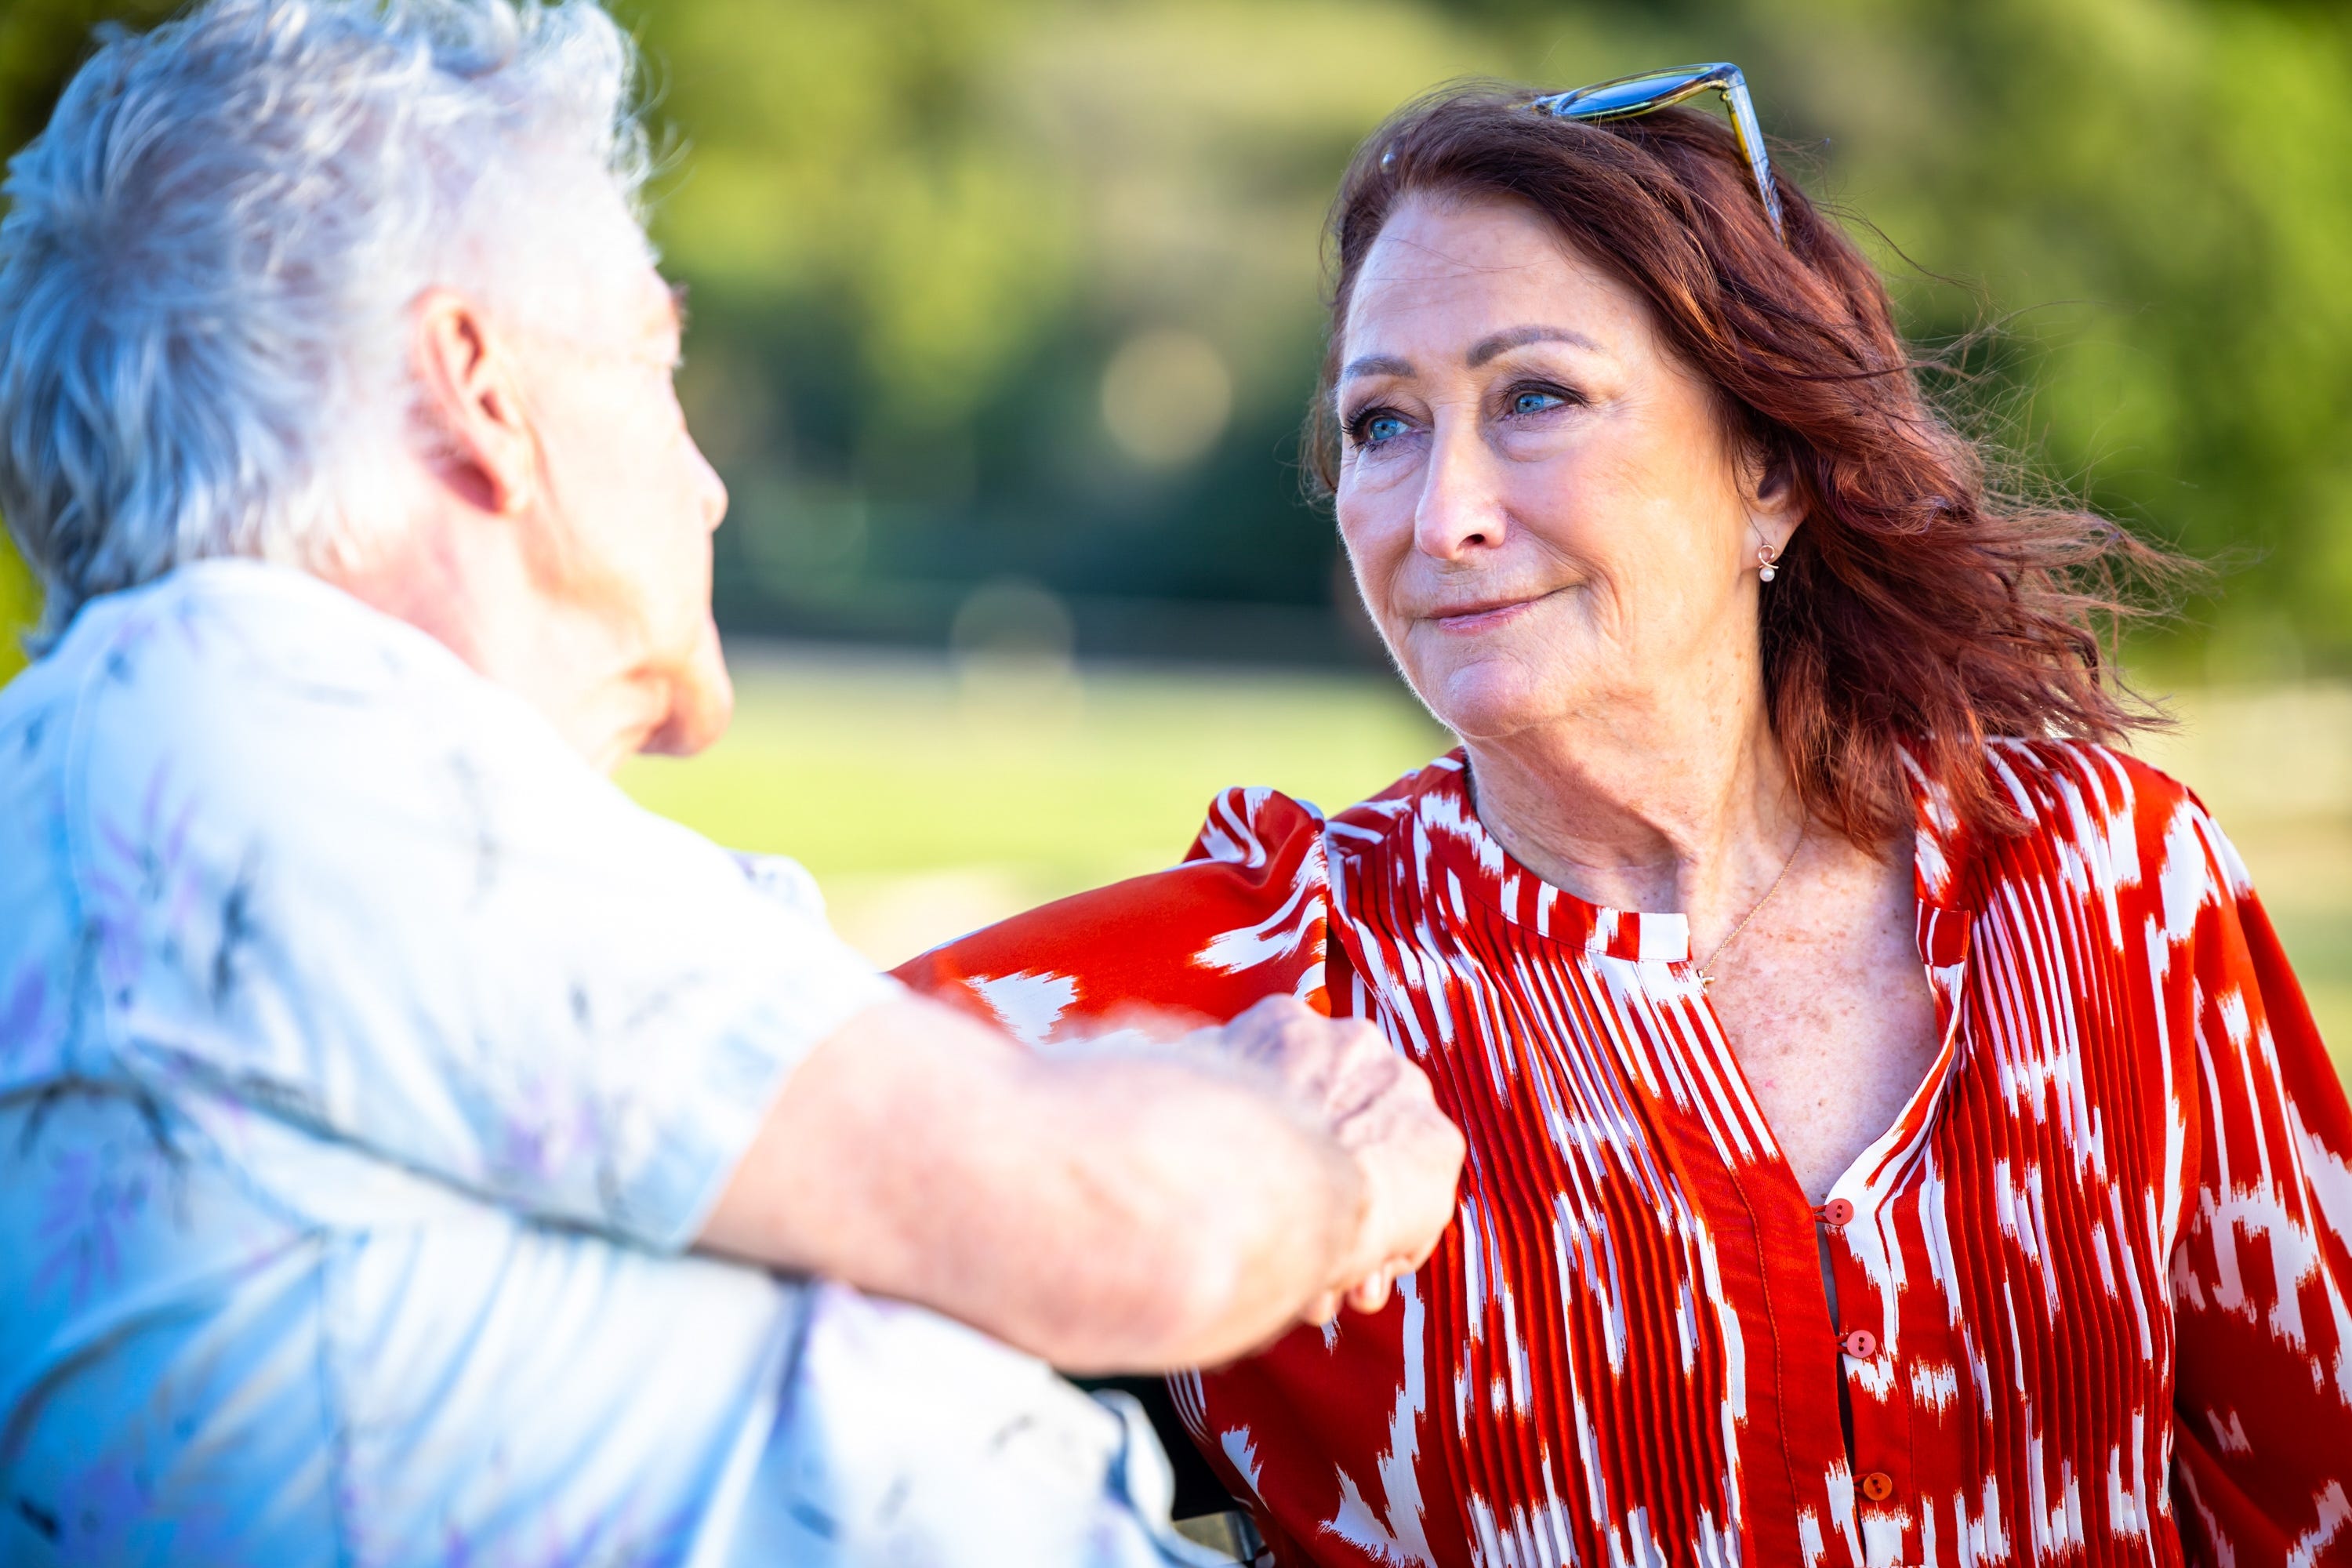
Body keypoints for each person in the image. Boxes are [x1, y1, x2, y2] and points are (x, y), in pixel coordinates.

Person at [0, 3, 1467, 1563]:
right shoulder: (246, 718)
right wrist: (1317, 1143)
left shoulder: (205, 773)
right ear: (479, 392)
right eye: (657, 358)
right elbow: (1105, 1227)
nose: (703, 476)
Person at [898, 75, 2352, 1566]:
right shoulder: (1275, 973)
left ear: (1770, 469)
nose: (1441, 511)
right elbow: (710, 1084)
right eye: (1384, 423)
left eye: (1535, 397)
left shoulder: (2111, 884)